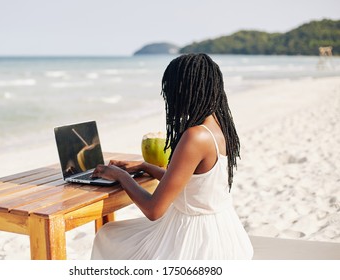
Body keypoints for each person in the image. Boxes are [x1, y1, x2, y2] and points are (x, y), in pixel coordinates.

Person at [91, 53, 253, 259]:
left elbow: (153, 210)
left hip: (195, 242)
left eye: (170, 90)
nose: (168, 97)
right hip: (224, 234)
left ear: (185, 91)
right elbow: (193, 185)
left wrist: (120, 176)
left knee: (107, 235)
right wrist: (145, 166)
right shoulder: (220, 128)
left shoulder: (195, 136)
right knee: (113, 234)